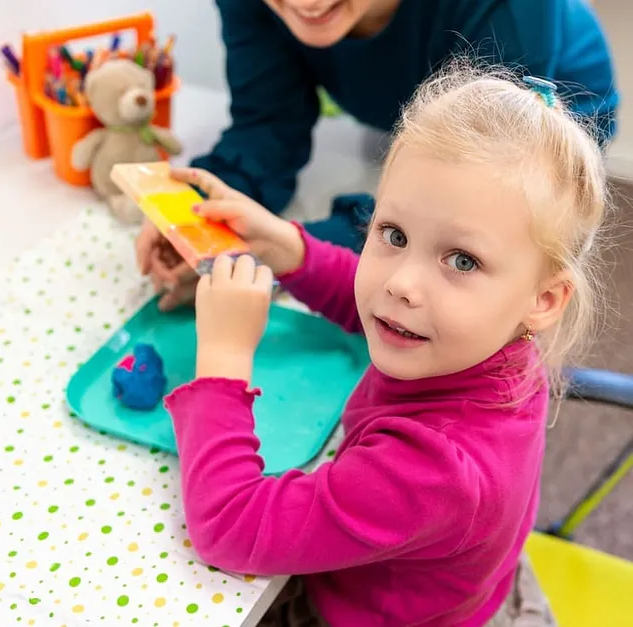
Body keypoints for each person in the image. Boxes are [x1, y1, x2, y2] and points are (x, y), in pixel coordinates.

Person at [162, 61, 609, 626]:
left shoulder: (431, 474)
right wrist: (290, 249)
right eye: (393, 234)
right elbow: (380, 310)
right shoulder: (500, 337)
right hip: (467, 587)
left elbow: (230, 528)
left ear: (544, 300)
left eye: (462, 260)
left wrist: (222, 362)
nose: (400, 283)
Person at [136, 0, 617, 310]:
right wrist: (198, 220)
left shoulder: (510, 14)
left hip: (552, 120)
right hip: (415, 104)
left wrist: (283, 251)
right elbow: (267, 122)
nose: (307, 4)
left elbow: (469, 208)